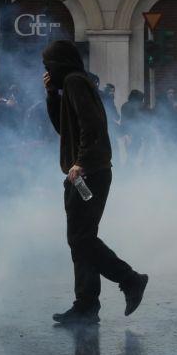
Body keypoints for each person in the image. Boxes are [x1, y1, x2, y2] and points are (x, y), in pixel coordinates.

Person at [43, 39, 148, 326]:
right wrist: (52, 94)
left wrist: (81, 162)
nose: (47, 71)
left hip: (88, 172)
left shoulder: (77, 82)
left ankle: (129, 280)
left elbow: (92, 126)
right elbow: (63, 129)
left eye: (49, 66)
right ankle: (86, 305)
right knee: (79, 240)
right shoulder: (73, 85)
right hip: (83, 172)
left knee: (81, 239)